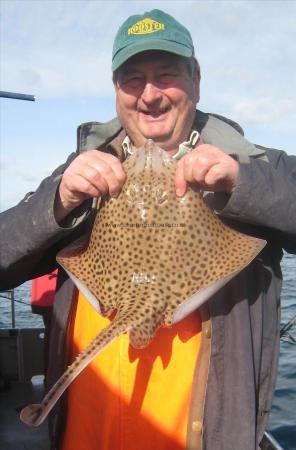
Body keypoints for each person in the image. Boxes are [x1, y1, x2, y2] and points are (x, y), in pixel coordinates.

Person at [0, 8, 296, 450]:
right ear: (117, 89)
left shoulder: (257, 165)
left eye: (167, 74)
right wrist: (58, 201)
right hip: (85, 437)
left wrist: (243, 182)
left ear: (196, 79)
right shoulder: (82, 171)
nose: (150, 94)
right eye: (133, 79)